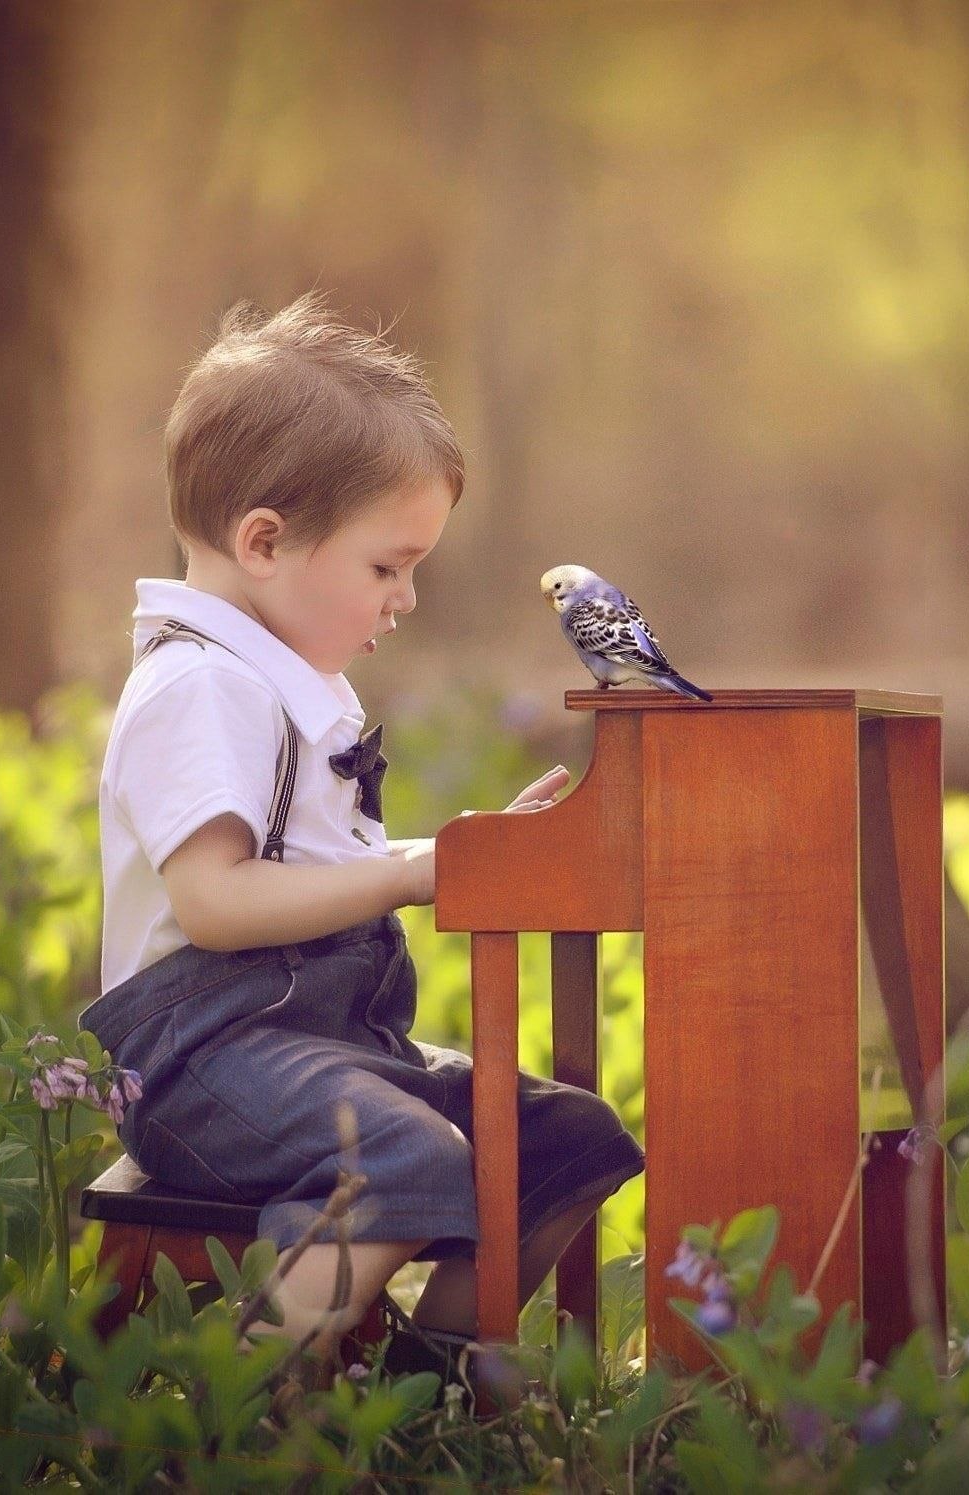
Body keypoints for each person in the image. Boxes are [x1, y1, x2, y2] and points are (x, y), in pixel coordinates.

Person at [79, 294, 644, 1362]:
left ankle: (420, 1387)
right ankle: (241, 1413)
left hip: (318, 1042)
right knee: (403, 1154)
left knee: (567, 1138)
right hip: (203, 1058)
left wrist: (462, 854)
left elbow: (314, 870)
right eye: (387, 566)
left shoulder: (279, 683)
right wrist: (412, 875)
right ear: (263, 542)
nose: (406, 599)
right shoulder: (197, 687)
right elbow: (216, 901)